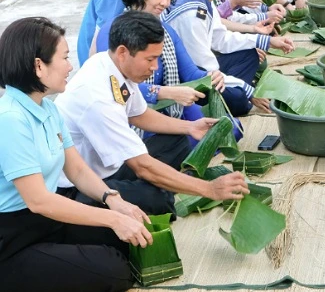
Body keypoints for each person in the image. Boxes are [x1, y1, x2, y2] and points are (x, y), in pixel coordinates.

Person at [0, 17, 152, 292]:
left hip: (44, 221)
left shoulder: (48, 109)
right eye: (65, 58)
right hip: (13, 236)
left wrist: (114, 202)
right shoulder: (10, 119)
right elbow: (39, 201)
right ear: (38, 66)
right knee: (116, 272)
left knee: (126, 242)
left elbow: (78, 170)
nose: (71, 66)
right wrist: (112, 218)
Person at [56, 11, 250, 217]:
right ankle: (160, 188)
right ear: (123, 52)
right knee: (158, 201)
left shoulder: (110, 64)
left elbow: (139, 114)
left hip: (109, 166)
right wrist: (209, 189)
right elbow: (142, 166)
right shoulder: (97, 98)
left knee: (178, 141)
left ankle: (162, 184)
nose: (155, 67)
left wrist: (190, 127)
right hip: (81, 186)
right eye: (150, 59)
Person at [92, 0, 236, 146]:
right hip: (133, 117)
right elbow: (117, 88)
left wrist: (211, 77)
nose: (164, 3)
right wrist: (166, 92)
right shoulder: (113, 31)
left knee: (228, 129)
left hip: (171, 110)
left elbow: (191, 74)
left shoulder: (167, 31)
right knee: (180, 145)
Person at [163, 0, 295, 115]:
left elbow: (222, 38)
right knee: (241, 101)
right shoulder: (192, 14)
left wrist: (268, 41)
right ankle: (233, 95)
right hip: (192, 80)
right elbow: (204, 70)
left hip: (207, 70)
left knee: (250, 54)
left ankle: (237, 90)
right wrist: (248, 91)